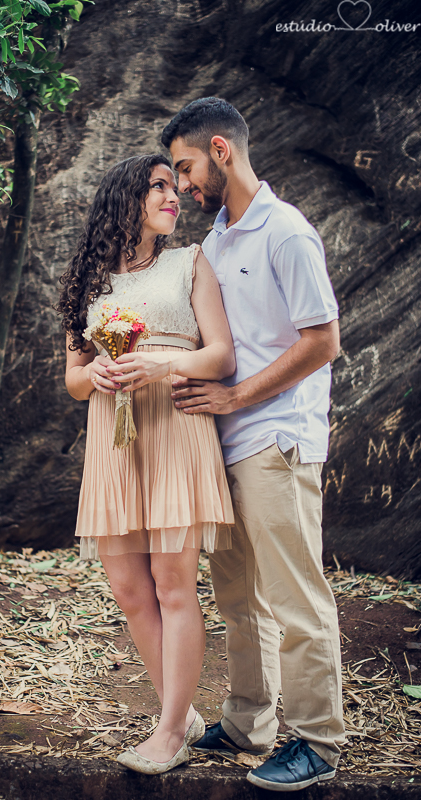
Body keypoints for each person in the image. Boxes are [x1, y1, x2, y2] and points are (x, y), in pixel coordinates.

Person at [161, 98, 345, 792]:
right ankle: (249, 721)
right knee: (237, 595)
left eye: (185, 167)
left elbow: (322, 339)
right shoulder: (214, 242)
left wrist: (237, 398)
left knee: (295, 596)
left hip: (277, 438)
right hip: (225, 444)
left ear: (221, 148)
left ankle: (319, 742)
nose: (181, 184)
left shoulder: (286, 232)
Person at [57, 154, 235, 775]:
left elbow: (220, 356)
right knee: (131, 590)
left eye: (173, 185)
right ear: (125, 198)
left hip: (174, 430)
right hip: (113, 438)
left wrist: (163, 364)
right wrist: (95, 374)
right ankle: (179, 716)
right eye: (158, 186)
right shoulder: (90, 279)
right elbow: (74, 381)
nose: (172, 195)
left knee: (172, 583)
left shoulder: (191, 262)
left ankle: (168, 734)